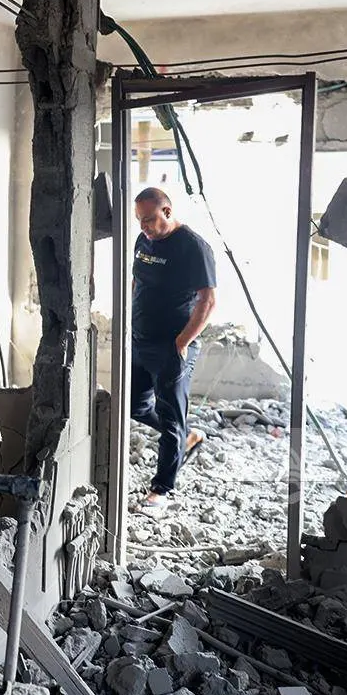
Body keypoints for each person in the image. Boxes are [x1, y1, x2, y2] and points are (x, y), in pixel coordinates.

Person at [131, 187, 217, 510]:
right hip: (139, 340)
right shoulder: (143, 240)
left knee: (169, 417)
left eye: (150, 220)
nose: (144, 227)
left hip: (172, 346)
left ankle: (162, 490)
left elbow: (208, 301)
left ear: (167, 212)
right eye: (140, 221)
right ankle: (187, 436)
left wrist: (182, 342)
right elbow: (138, 281)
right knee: (134, 406)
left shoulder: (193, 247)